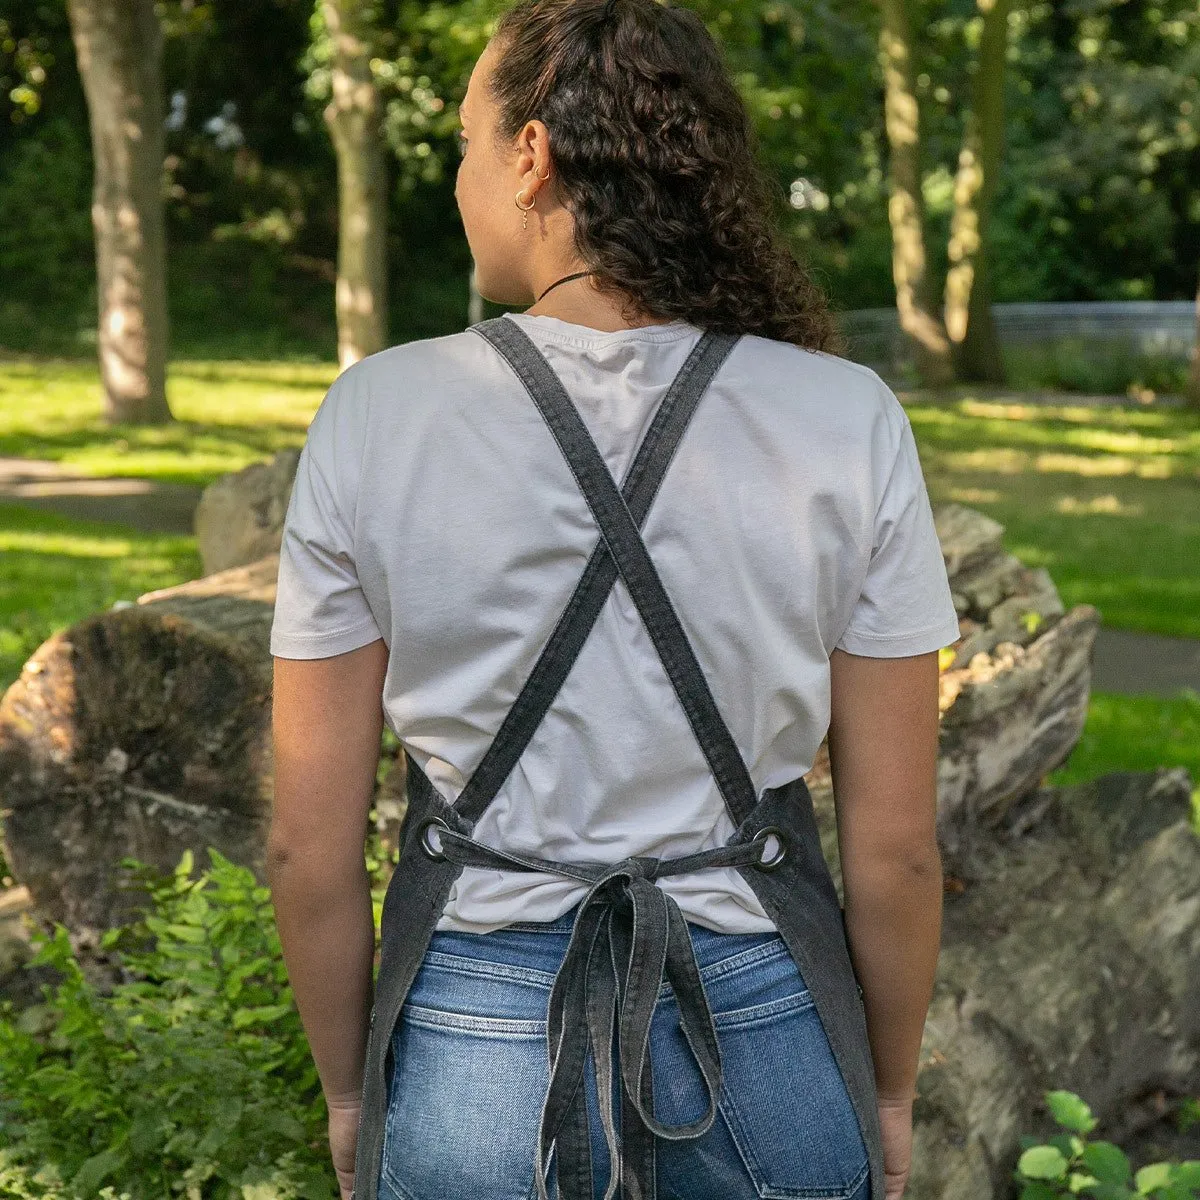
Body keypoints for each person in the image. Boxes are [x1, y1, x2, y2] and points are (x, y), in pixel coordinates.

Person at [266, 2, 959, 1199]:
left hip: (471, 1055)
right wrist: (885, 1097)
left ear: (531, 157)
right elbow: (896, 851)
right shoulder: (847, 419)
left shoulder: (378, 416)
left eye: (467, 143)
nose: (459, 180)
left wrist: (347, 1095)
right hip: (766, 1041)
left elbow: (304, 849)